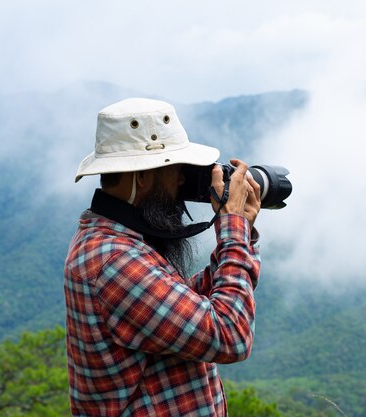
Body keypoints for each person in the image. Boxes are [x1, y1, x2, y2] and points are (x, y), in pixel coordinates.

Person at [64, 98, 261, 417]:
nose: (182, 180)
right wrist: (232, 227)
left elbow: (180, 304)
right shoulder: (114, 260)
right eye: (175, 169)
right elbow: (230, 334)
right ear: (142, 175)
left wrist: (241, 233)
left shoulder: (122, 239)